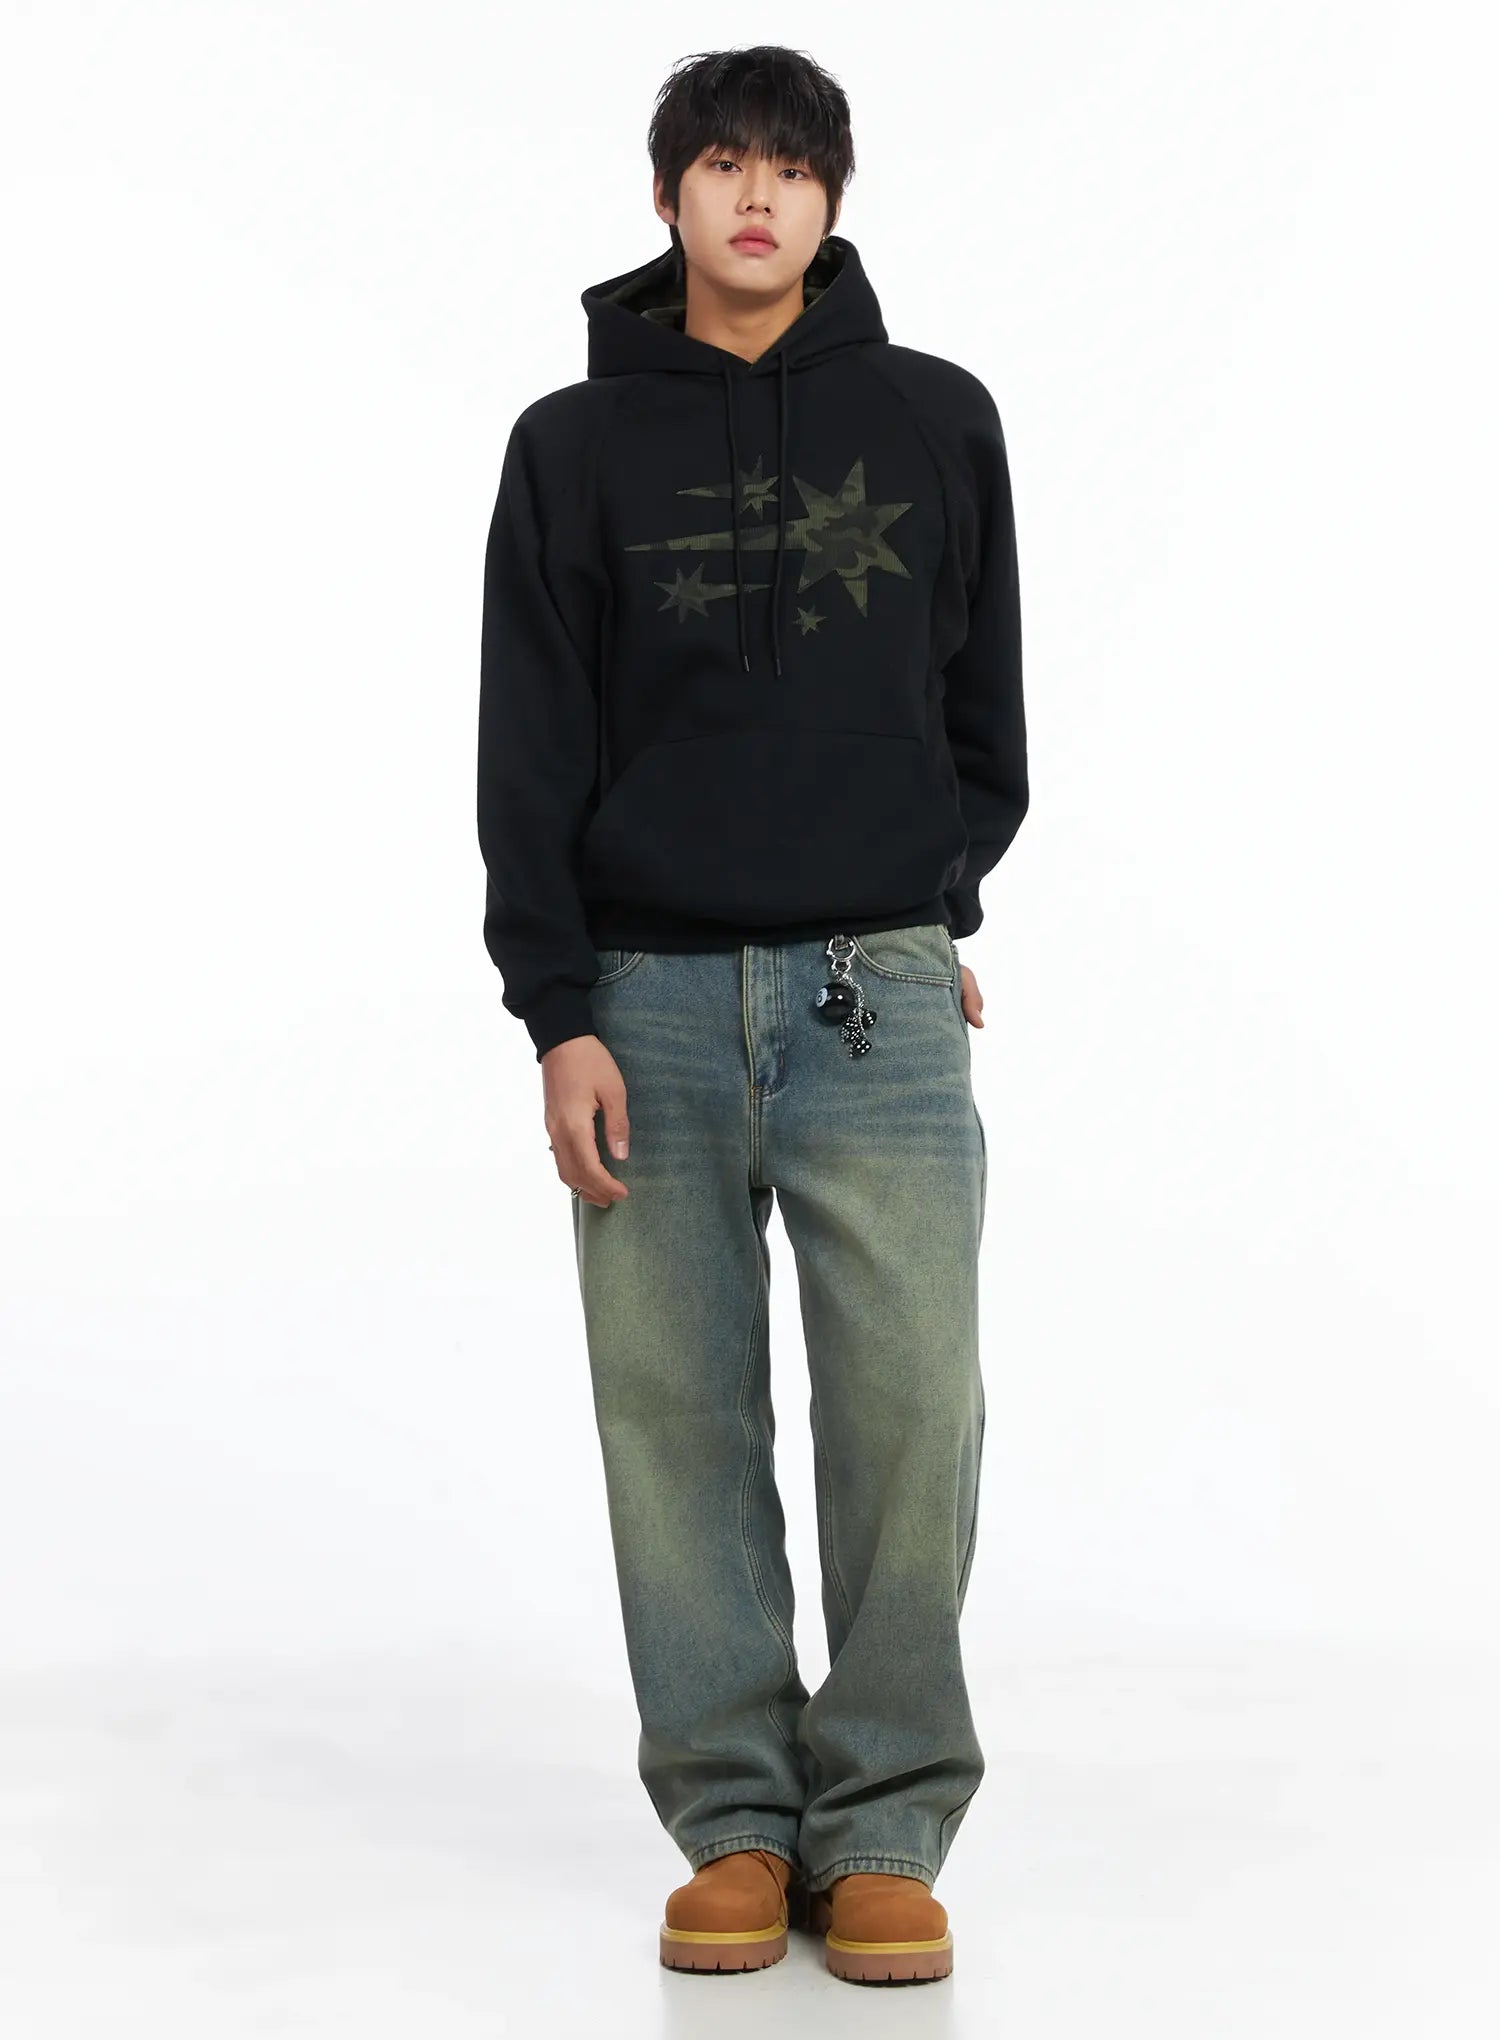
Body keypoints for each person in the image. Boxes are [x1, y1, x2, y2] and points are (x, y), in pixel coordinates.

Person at [476, 45, 1028, 1985]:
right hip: (645, 1002)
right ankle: (731, 1816)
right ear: (667, 199)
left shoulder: (938, 418)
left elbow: (984, 713)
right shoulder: (570, 447)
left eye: (792, 166)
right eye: (722, 163)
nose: (759, 196)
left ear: (835, 198)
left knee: (912, 1412)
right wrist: (559, 1008)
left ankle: (882, 1824)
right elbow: (529, 747)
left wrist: (926, 906)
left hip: (880, 995)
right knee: (674, 1416)